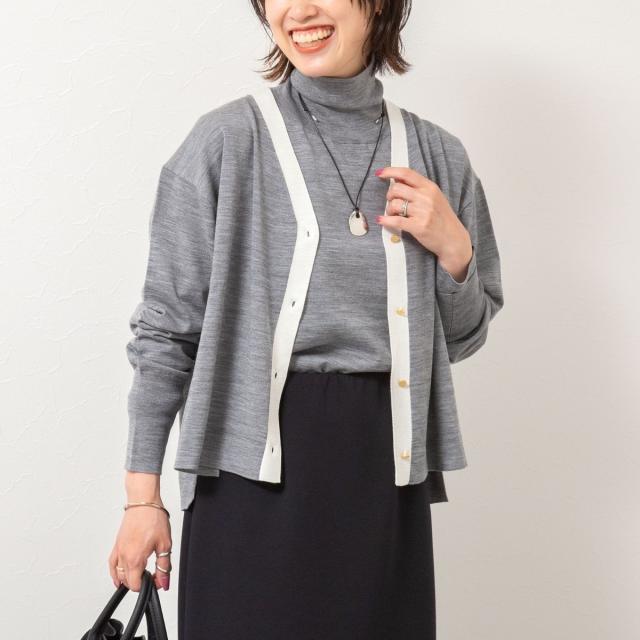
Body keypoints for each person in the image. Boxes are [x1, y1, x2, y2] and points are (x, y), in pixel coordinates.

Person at [109, 1, 504, 638]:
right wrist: (142, 498)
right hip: (249, 477)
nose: (299, 11)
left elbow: (462, 337)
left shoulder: (438, 155)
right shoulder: (226, 141)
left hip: (384, 475)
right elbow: (165, 332)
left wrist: (455, 251)